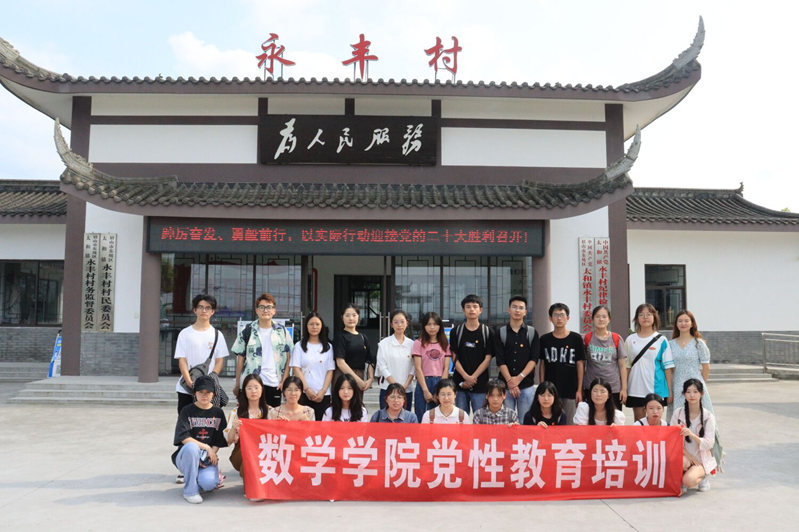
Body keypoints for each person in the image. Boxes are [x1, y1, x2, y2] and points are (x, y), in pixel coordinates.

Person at [172, 375, 228, 504]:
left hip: (206, 458)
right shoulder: (187, 410)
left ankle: (201, 477)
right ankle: (190, 491)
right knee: (192, 447)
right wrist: (206, 447)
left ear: (213, 394)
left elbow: (219, 439)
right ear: (194, 393)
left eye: (208, 392)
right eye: (200, 392)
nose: (204, 395)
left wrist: (210, 453)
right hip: (187, 456)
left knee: (209, 484)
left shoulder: (218, 413)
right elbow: (184, 438)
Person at [231, 292, 294, 408]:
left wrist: (284, 381)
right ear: (257, 311)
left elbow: (289, 358)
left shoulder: (282, 331)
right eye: (262, 307)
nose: (265, 310)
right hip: (250, 384)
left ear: (274, 311)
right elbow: (240, 360)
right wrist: (238, 384)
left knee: (271, 417)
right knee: (249, 416)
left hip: (274, 383)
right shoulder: (247, 330)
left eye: (269, 307)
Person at [174, 293, 229, 416]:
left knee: (208, 423)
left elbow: (220, 362)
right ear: (195, 310)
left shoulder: (217, 335)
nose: (204, 311)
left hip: (208, 390)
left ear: (213, 311)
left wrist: (210, 381)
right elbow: (182, 360)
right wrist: (189, 382)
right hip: (186, 389)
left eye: (208, 308)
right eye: (200, 307)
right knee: (185, 422)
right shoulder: (185, 333)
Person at [494, 295, 540, 421]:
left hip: (526, 386)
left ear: (525, 312)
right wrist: (510, 381)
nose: (517, 310)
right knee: (506, 422)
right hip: (505, 386)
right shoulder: (500, 333)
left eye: (521, 308)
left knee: (525, 421)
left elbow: (534, 359)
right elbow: (500, 360)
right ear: (509, 310)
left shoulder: (532, 333)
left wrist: (519, 378)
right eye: (514, 307)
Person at [626, 303, 674, 422]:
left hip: (656, 388)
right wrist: (624, 388)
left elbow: (667, 367)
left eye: (648, 314)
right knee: (639, 423)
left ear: (654, 317)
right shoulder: (631, 339)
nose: (645, 317)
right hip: (636, 388)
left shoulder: (661, 340)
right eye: (641, 314)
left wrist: (669, 390)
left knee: (655, 422)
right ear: (637, 318)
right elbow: (626, 366)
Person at [224, 374, 269, 501]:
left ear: (262, 389)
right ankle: (251, 490)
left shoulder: (270, 411)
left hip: (265, 452)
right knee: (249, 456)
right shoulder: (236, 413)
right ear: (244, 391)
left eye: (256, 387)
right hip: (241, 452)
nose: (253, 391)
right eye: (249, 388)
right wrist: (234, 428)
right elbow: (228, 441)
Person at [538, 303, 585, 424]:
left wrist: (579, 390)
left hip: (571, 390)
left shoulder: (576, 339)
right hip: (550, 392)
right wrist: (542, 388)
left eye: (562, 315)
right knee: (550, 423)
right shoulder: (544, 339)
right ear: (550, 318)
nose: (559, 318)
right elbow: (542, 364)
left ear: (568, 318)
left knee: (569, 424)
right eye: (556, 315)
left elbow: (580, 365)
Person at [450, 294, 494, 416]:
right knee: (460, 419)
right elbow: (454, 356)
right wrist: (466, 376)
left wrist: (472, 377)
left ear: (481, 310)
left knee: (480, 419)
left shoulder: (487, 332)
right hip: (460, 384)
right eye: (468, 307)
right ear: (463, 310)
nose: (472, 309)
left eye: (475, 306)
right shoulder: (456, 332)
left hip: (480, 384)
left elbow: (488, 359)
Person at [671, 378, 717, 493]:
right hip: (685, 457)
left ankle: (703, 477)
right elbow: (672, 440)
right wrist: (689, 456)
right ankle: (683, 474)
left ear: (702, 393)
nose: (692, 395)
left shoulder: (708, 417)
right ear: (684, 394)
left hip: (701, 461)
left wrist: (692, 435)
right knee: (678, 462)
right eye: (688, 391)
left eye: (695, 391)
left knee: (688, 481)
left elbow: (709, 444)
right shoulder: (678, 413)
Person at [669, 310, 714, 419]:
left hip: (695, 385)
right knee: (679, 416)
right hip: (677, 384)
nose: (683, 323)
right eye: (680, 321)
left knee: (699, 416)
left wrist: (700, 386)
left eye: (686, 321)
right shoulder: (670, 344)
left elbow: (706, 367)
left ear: (692, 323)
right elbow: (669, 369)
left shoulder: (699, 343)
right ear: (676, 324)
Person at [291, 312, 335, 421]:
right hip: (303, 393)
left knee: (321, 425)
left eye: (317, 324)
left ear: (322, 326)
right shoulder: (299, 346)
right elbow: (296, 369)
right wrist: (307, 389)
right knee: (303, 424)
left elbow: (330, 370)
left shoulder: (328, 347)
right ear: (306, 326)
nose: (314, 327)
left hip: (323, 394)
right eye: (311, 324)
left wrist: (323, 391)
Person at [583, 305, 628, 409]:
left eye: (604, 316)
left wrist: (624, 389)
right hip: (591, 387)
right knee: (592, 416)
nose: (601, 319)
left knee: (613, 416)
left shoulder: (616, 338)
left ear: (609, 319)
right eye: (597, 316)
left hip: (613, 388)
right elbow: (582, 365)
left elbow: (622, 366)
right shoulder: (586, 338)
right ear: (593, 319)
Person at [412, 311, 452, 422]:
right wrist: (425, 390)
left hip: (440, 381)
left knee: (438, 417)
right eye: (429, 324)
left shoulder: (445, 344)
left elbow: (446, 368)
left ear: (440, 326)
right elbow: (418, 368)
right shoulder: (418, 343)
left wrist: (440, 389)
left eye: (435, 324)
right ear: (424, 326)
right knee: (421, 417)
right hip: (424, 382)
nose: (432, 327)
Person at [376, 310, 415, 410]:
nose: (399, 325)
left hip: (406, 389)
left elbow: (413, 367)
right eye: (396, 322)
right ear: (391, 324)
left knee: (404, 417)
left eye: (402, 322)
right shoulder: (384, 344)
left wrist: (405, 386)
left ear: (407, 323)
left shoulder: (412, 344)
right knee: (386, 417)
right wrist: (395, 386)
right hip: (387, 388)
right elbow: (382, 366)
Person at [333, 304, 375, 393]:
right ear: (342, 317)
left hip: (360, 375)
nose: (351, 318)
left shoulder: (363, 337)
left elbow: (369, 360)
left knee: (357, 401)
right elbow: (340, 363)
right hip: (343, 376)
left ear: (358, 317)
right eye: (347, 315)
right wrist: (358, 381)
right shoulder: (340, 337)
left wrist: (370, 379)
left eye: (354, 315)